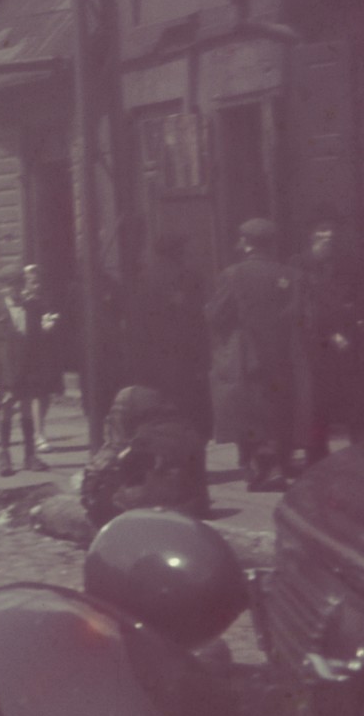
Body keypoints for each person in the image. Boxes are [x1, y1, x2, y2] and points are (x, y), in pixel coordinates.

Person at [207, 217, 304, 491]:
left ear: (246, 243)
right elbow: (296, 315)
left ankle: (260, 470)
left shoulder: (232, 274)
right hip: (281, 356)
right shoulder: (289, 275)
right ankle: (277, 464)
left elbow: (216, 315)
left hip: (247, 358)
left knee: (248, 413)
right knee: (277, 409)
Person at [81, 385, 209, 528]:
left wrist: (93, 478)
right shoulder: (186, 430)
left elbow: (104, 471)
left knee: (103, 499)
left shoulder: (143, 440)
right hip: (196, 507)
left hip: (161, 515)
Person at [291, 220, 360, 464]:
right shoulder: (300, 264)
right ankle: (317, 457)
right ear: (311, 235)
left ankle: (357, 453)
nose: (326, 236)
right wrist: (331, 332)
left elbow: (357, 296)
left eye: (331, 232)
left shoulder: (348, 264)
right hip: (315, 345)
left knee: (354, 401)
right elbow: (304, 306)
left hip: (349, 343)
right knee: (317, 405)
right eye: (321, 232)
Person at [128, 234, 211, 436]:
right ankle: (190, 459)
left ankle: (162, 455)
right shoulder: (190, 278)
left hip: (152, 357)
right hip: (186, 356)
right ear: (178, 252)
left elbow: (136, 323)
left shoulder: (144, 279)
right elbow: (198, 321)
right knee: (189, 410)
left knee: (157, 410)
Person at [0, 265, 50, 477]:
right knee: (6, 410)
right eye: (9, 286)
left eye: (18, 285)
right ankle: (4, 455)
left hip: (27, 369)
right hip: (6, 371)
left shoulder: (31, 308)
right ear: (2, 288)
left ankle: (30, 455)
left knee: (27, 410)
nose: (15, 290)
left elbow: (37, 341)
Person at [20, 264, 69, 451]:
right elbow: (25, 330)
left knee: (46, 395)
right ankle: (38, 435)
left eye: (39, 281)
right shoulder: (24, 303)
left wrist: (53, 321)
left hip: (48, 352)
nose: (37, 285)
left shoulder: (44, 300)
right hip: (32, 353)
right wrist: (43, 328)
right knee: (37, 395)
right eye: (33, 282)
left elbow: (52, 317)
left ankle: (36, 430)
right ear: (25, 283)